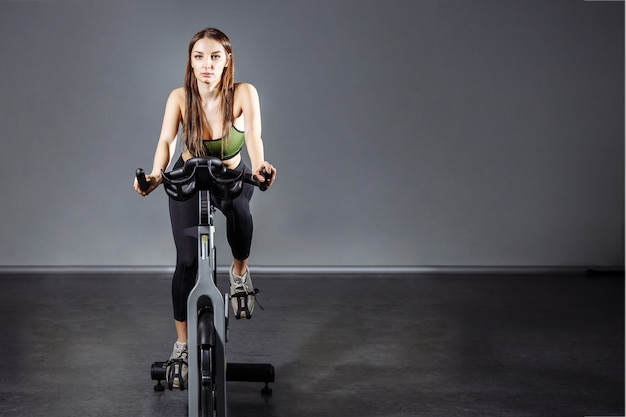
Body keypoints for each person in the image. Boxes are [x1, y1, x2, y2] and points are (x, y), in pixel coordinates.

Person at [133, 27, 276, 388]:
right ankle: (182, 345)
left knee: (241, 215)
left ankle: (239, 273)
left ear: (227, 60)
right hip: (189, 175)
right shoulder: (180, 97)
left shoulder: (244, 93)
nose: (207, 64)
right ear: (191, 61)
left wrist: (260, 167)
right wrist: (153, 175)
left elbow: (255, 138)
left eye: (215, 56)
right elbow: (166, 140)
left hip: (229, 176)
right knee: (186, 261)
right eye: (199, 57)